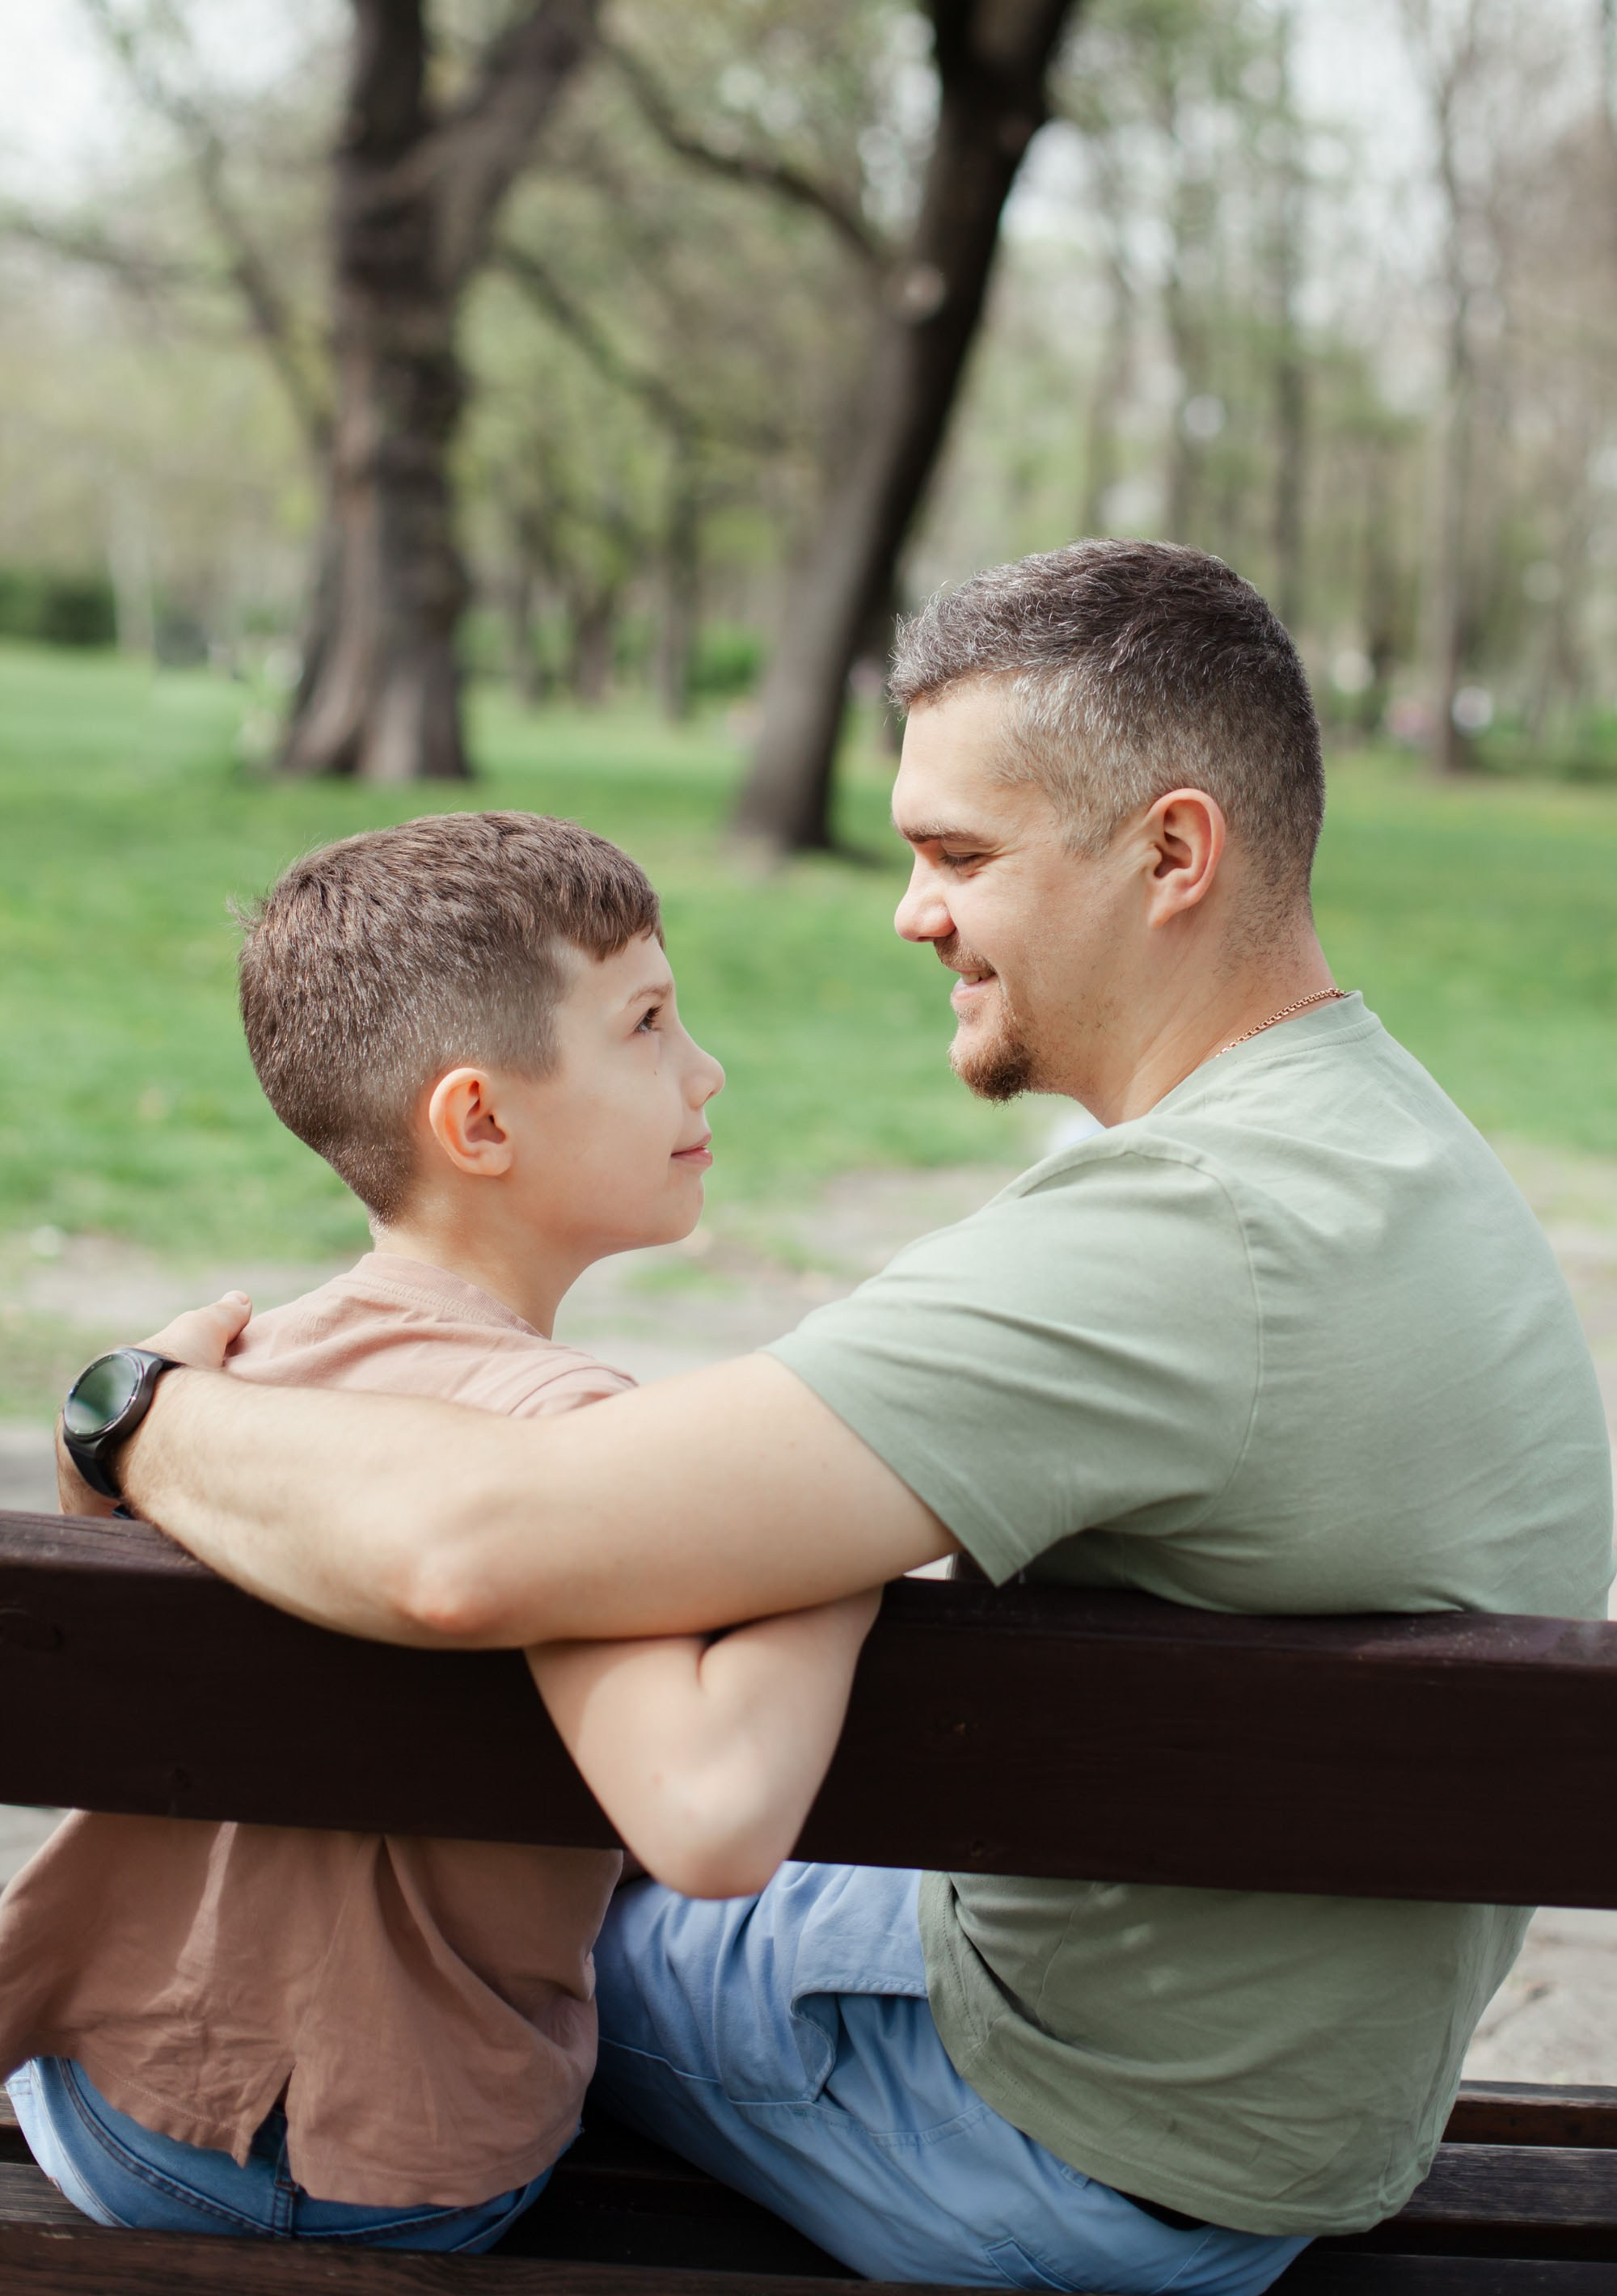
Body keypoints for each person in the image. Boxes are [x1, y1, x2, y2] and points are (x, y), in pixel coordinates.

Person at [65, 542, 1613, 2293]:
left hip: (1062, 2154)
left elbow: (467, 1556)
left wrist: (140, 1412)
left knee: (530, 1941)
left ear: (1173, 853)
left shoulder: (1186, 1241)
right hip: (1267, 2091)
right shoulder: (1379, 1137)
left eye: (958, 855)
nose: (909, 910)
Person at [6, 810, 877, 2250]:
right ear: (477, 1122)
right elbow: (710, 1805)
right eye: (648, 1022)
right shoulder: (591, 1453)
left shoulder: (213, 1396)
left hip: (121, 2120)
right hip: (420, 2182)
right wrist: (839, 1530)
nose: (705, 1067)